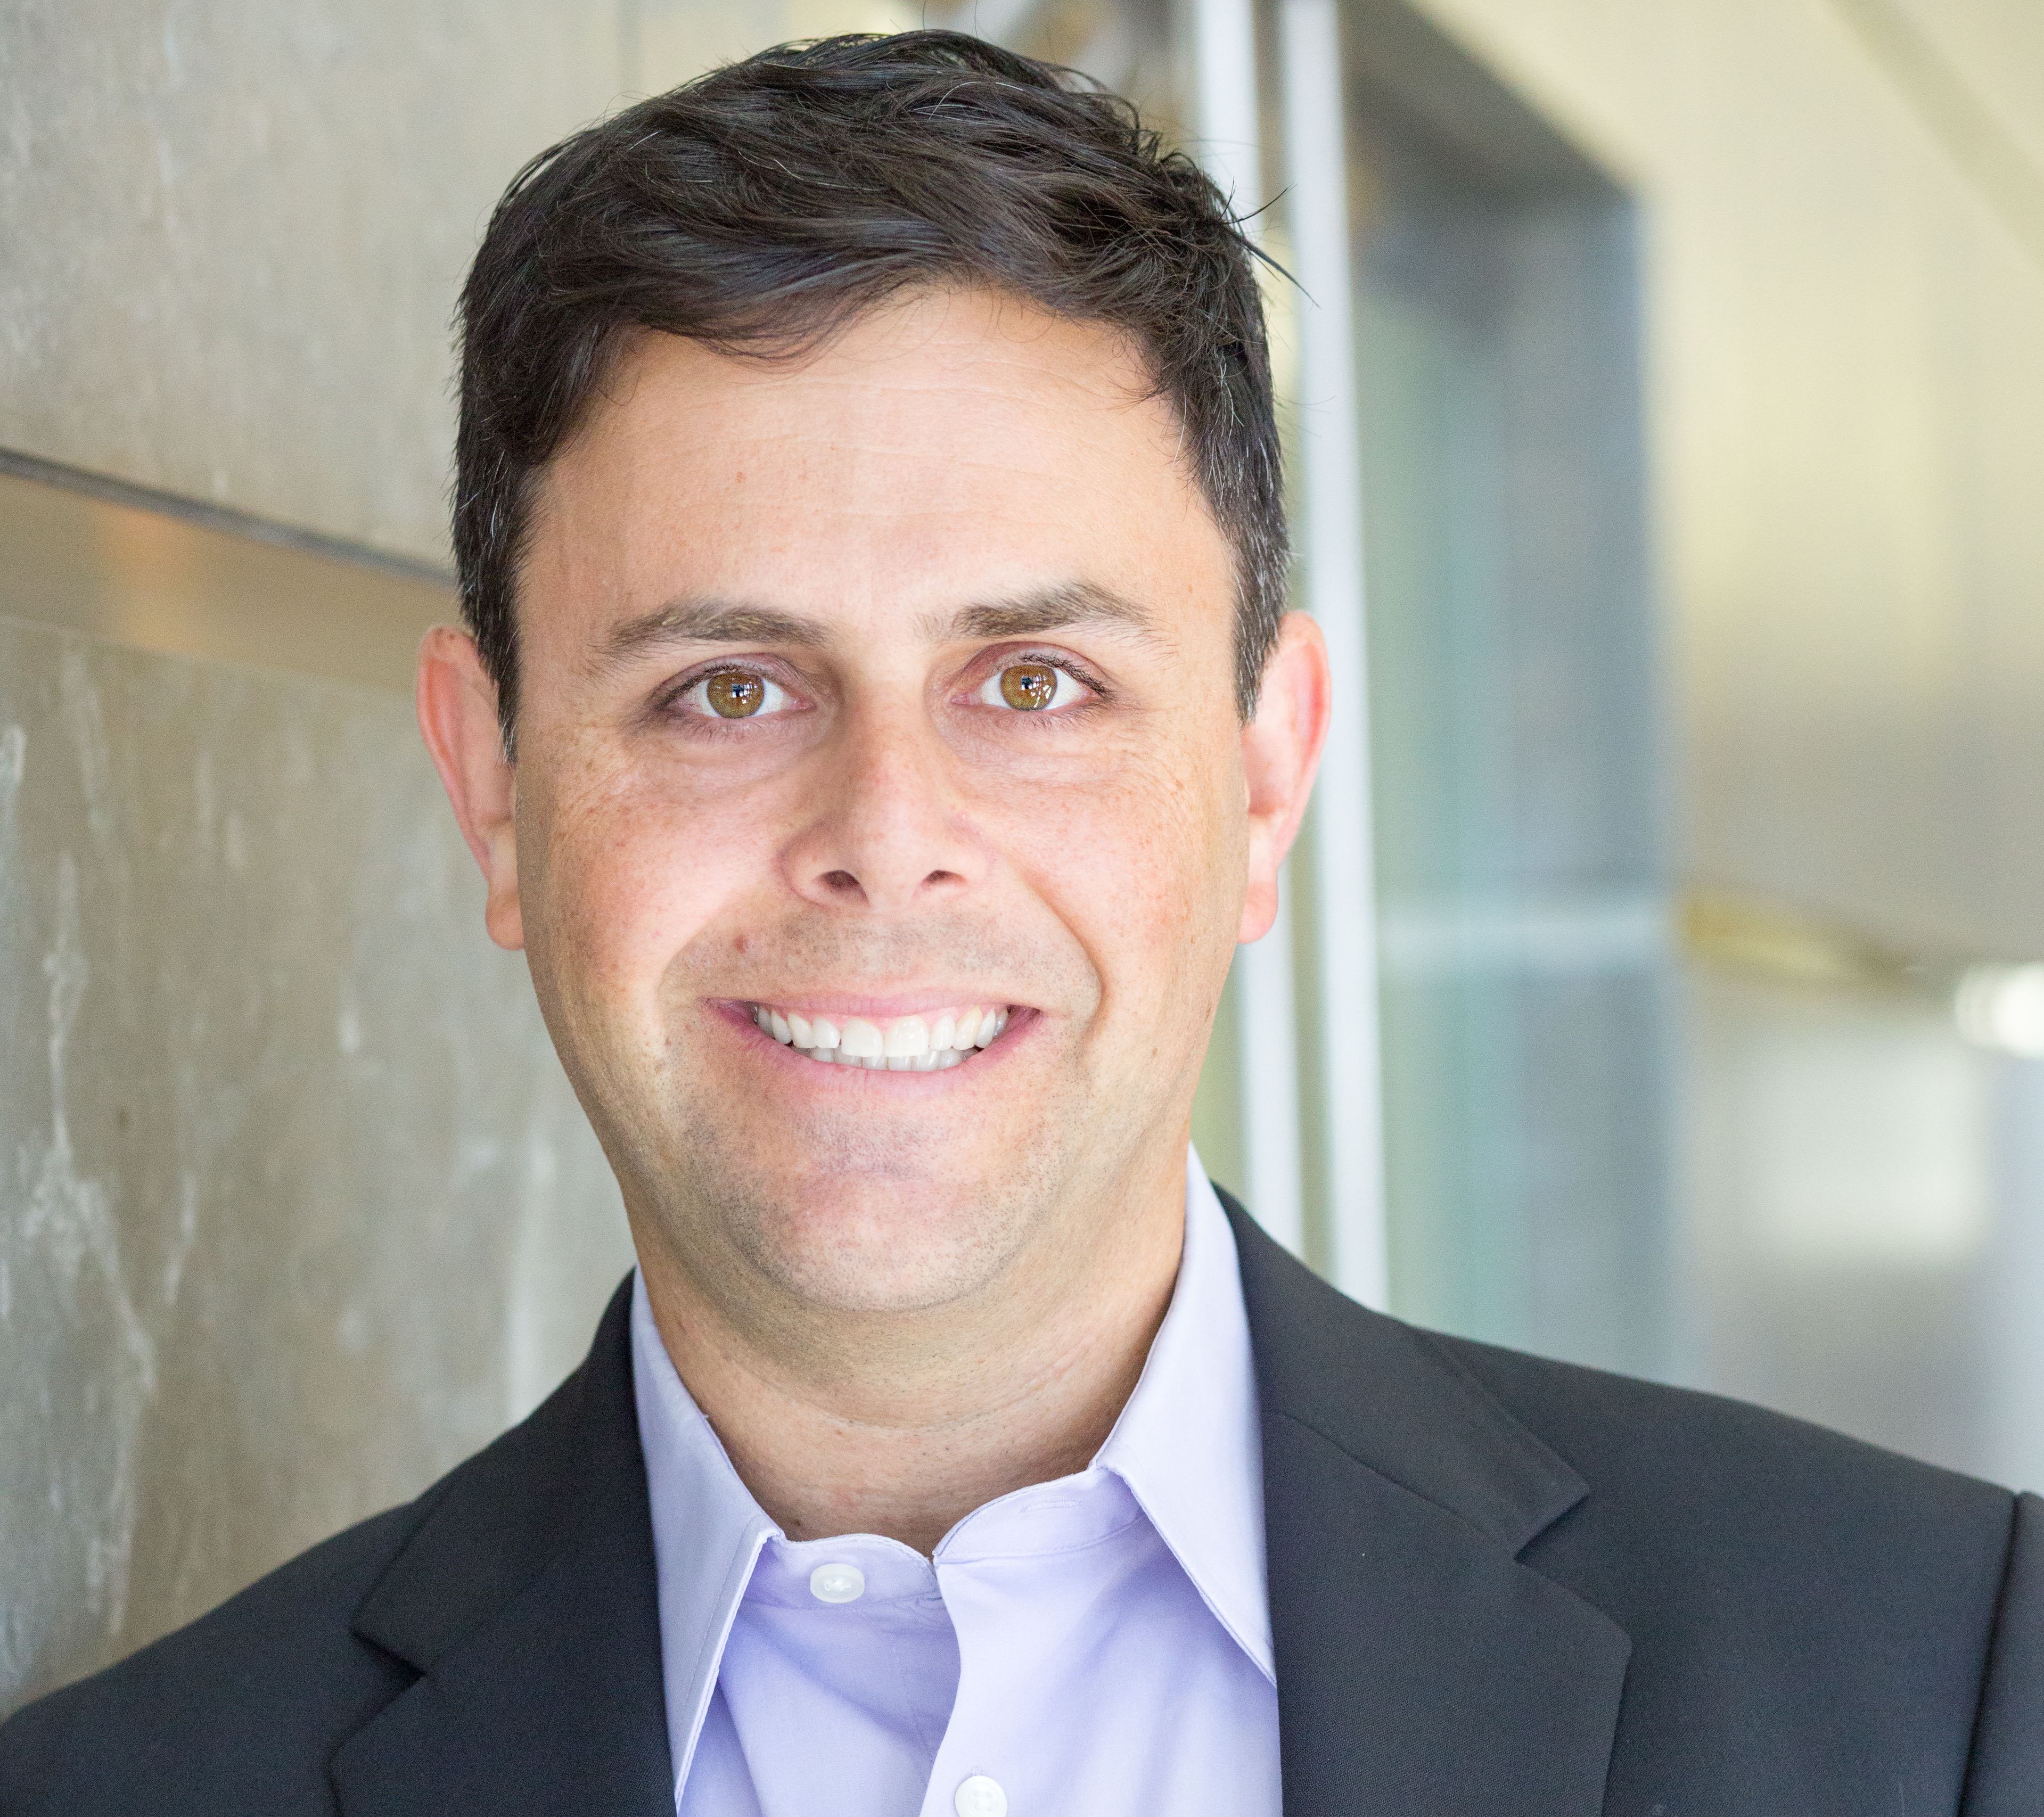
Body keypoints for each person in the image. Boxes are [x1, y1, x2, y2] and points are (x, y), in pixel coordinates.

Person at [2, 29, 2038, 1817]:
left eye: (1037, 683)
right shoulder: (129, 1792)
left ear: (1265, 774)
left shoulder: (1939, 1684)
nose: (889, 841)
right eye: (729, 689)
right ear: (492, 784)